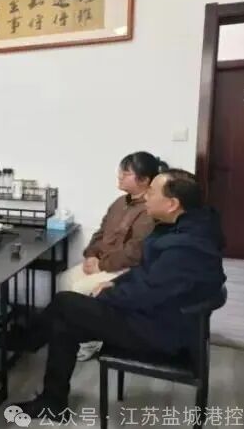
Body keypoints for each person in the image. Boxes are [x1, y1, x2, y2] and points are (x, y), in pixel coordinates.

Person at [11, 169, 226, 419]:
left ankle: (23, 343)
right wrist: (115, 283)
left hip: (162, 333)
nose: (146, 197)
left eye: (152, 192)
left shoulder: (187, 247)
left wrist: (105, 296)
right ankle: (52, 401)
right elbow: (147, 273)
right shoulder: (182, 226)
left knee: (65, 303)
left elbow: (147, 293)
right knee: (65, 320)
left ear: (172, 204)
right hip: (158, 316)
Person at [59, 152, 167, 360]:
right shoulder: (119, 203)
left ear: (144, 180)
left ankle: (91, 340)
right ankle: (71, 335)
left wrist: (101, 265)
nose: (119, 176)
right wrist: (91, 255)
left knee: (79, 289)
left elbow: (135, 252)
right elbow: (100, 232)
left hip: (124, 269)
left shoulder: (150, 210)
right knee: (64, 280)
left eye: (126, 173)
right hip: (101, 262)